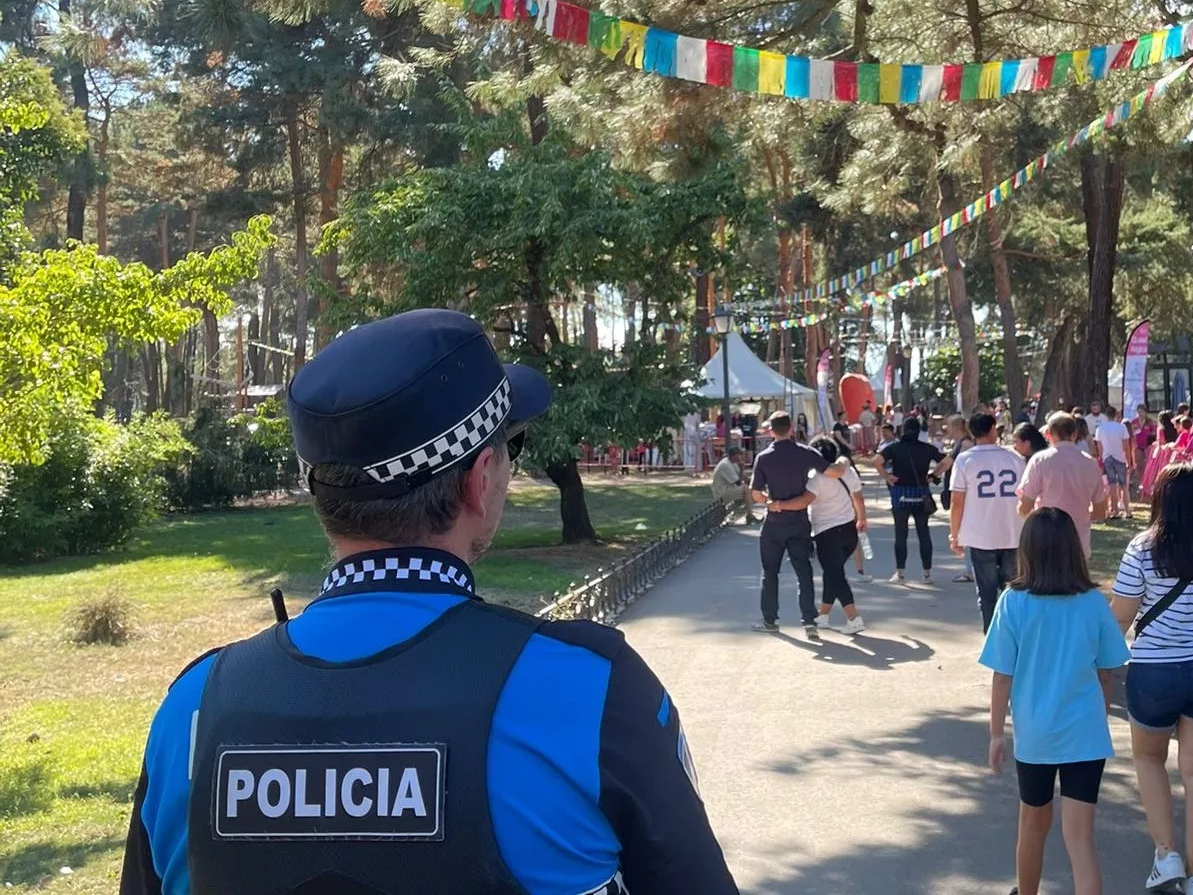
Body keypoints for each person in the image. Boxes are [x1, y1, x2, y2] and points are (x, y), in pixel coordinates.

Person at [117, 308, 739, 895]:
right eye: (510, 451)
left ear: (322, 497)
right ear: (478, 480)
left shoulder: (192, 708)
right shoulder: (591, 689)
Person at [1109, 465, 1193, 895]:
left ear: (1160, 500)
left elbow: (1122, 618)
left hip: (1156, 670)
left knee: (1149, 760)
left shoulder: (1141, 548)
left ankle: (1166, 856)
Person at [980, 507, 1129, 895]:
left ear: (1026, 550)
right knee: (1080, 838)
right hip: (1085, 733)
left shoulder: (1013, 602)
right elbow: (1107, 670)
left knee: (1032, 822)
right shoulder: (1094, 602)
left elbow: (1002, 675)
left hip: (1035, 734)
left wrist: (996, 734)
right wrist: (1099, 712)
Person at [750, 411, 848, 636]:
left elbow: (755, 493)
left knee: (770, 573)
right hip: (800, 521)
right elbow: (831, 472)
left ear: (771, 431)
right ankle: (809, 621)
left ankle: (770, 620)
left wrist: (770, 502)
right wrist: (843, 463)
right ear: (792, 428)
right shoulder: (806, 453)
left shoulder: (763, 458)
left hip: (774, 522)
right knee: (804, 572)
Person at [948, 412, 1026, 632]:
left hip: (980, 535)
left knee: (986, 592)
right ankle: (1016, 635)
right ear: (993, 430)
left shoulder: (965, 460)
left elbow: (957, 501)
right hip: (1013, 532)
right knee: (1014, 591)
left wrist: (955, 534)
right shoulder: (1014, 458)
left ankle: (992, 638)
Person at [1017, 413, 1108, 559]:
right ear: (1075, 434)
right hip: (1079, 541)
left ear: (1048, 434)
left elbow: (1024, 506)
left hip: (1046, 540)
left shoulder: (1040, 460)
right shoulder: (1090, 462)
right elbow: (1100, 511)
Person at [875, 417, 951, 584]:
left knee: (901, 534)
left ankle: (900, 573)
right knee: (923, 533)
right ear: (919, 432)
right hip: (921, 493)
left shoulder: (894, 448)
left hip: (900, 494)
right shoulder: (927, 448)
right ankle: (926, 574)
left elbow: (877, 461)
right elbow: (947, 461)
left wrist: (888, 477)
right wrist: (933, 475)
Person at [806, 436, 869, 635]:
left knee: (835, 575)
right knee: (832, 574)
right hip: (849, 530)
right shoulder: (847, 471)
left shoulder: (814, 477)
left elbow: (805, 500)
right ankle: (823, 615)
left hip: (826, 533)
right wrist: (862, 519)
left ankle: (853, 617)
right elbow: (858, 497)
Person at [940, 413, 978, 583]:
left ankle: (970, 569)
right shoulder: (959, 443)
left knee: (967, 531)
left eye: (948, 426)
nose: (946, 429)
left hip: (967, 492)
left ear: (955, 427)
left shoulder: (965, 445)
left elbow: (947, 463)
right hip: (963, 490)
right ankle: (969, 568)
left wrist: (933, 475)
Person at [1093, 406, 1133, 520]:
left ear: (1106, 415)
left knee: (1112, 485)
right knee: (1124, 486)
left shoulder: (1100, 429)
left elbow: (1099, 447)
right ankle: (1127, 511)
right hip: (1120, 457)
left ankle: (1115, 511)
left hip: (1107, 458)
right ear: (1115, 415)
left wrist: (1102, 457)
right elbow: (1126, 447)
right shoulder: (1122, 428)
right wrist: (1129, 462)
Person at [711, 446, 755, 524]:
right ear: (734, 455)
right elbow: (738, 483)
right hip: (721, 492)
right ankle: (750, 516)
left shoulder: (733, 463)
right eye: (739, 455)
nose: (741, 457)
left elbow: (745, 478)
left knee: (753, 492)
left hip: (729, 488)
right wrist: (742, 469)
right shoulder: (725, 464)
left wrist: (756, 484)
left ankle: (733, 512)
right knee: (745, 489)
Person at [683, 410, 702, 475]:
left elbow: (697, 425)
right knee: (690, 452)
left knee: (693, 452)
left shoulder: (694, 414)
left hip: (693, 436)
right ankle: (691, 466)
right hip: (690, 436)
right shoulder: (689, 415)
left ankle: (694, 467)